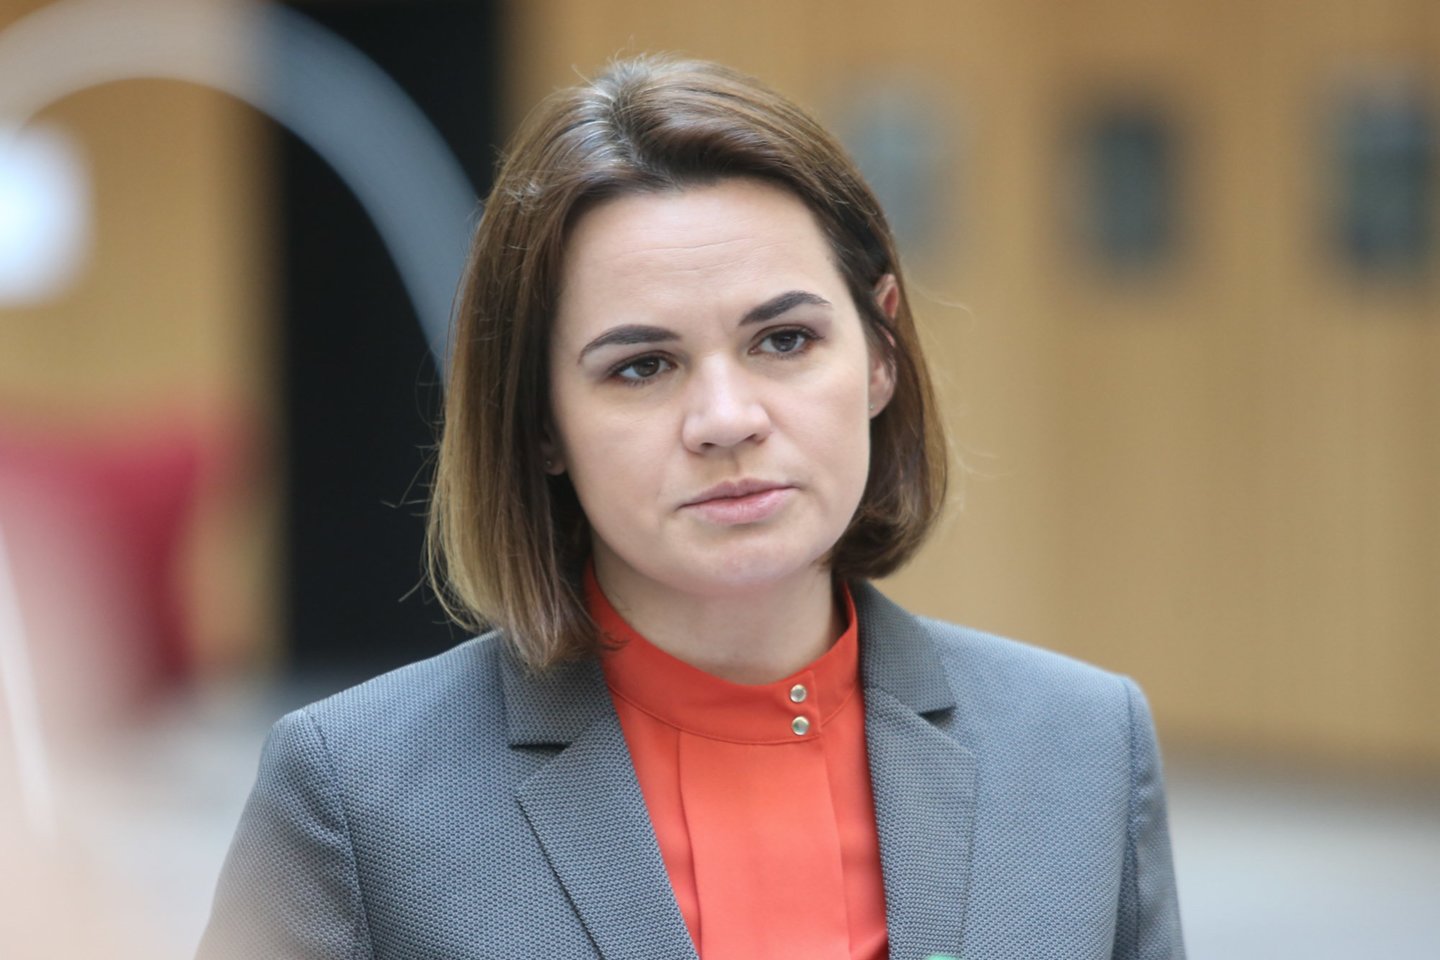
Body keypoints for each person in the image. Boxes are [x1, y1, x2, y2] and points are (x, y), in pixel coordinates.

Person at [198, 56, 1185, 960]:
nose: (726, 419)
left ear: (881, 352)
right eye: (642, 365)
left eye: (785, 341)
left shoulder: (1084, 748)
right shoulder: (357, 796)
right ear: (540, 422)